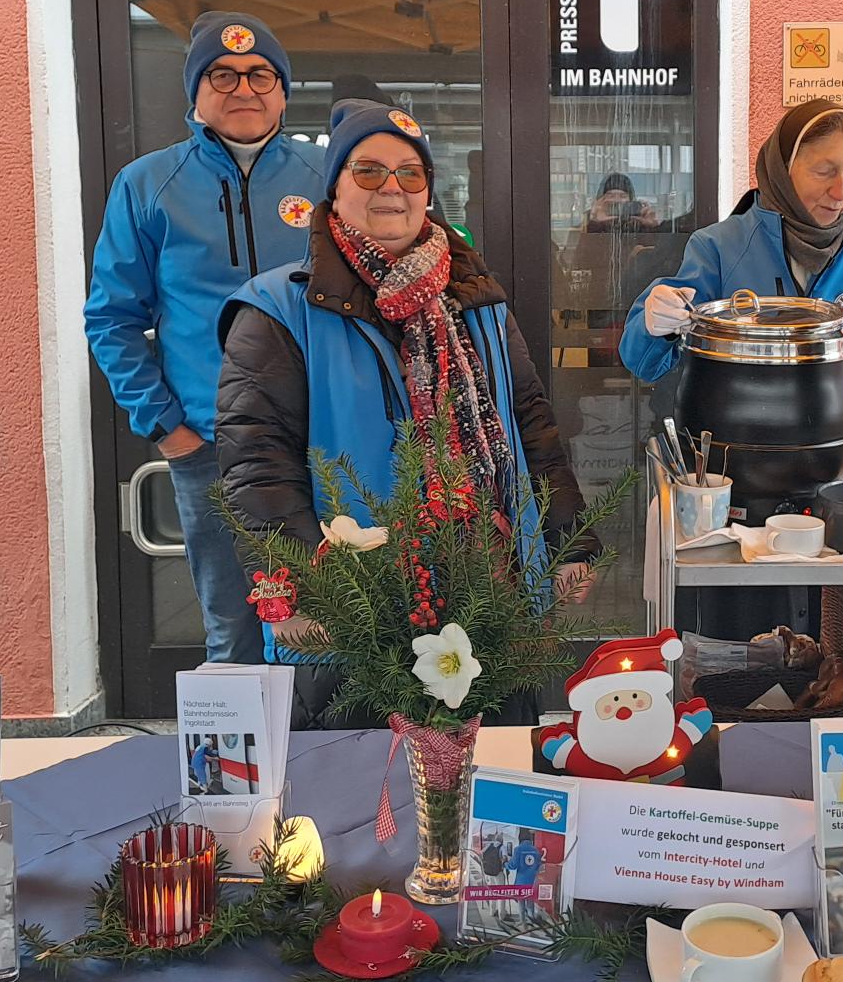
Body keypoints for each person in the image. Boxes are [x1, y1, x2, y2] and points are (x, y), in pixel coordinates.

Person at [216, 98, 596, 719]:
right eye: (368, 171)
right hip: (354, 607)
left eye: (410, 173)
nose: (391, 188)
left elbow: (530, 422)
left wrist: (569, 542)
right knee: (361, 772)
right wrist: (298, 590)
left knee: (489, 767)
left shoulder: (477, 300)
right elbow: (258, 465)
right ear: (335, 189)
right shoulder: (277, 310)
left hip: (489, 590)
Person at [620, 100, 843, 632]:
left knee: (833, 638)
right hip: (730, 492)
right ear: (782, 168)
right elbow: (646, 359)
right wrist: (654, 318)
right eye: (824, 170)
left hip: (835, 485)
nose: (840, 191)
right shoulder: (720, 248)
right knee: (735, 642)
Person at [86, 11, 326, 664]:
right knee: (234, 630)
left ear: (283, 92)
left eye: (260, 74)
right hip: (210, 446)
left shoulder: (329, 177)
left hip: (322, 442)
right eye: (222, 75)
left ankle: (322, 737)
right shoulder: (147, 185)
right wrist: (168, 428)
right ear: (195, 91)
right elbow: (111, 318)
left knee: (334, 622)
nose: (243, 88)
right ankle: (238, 739)